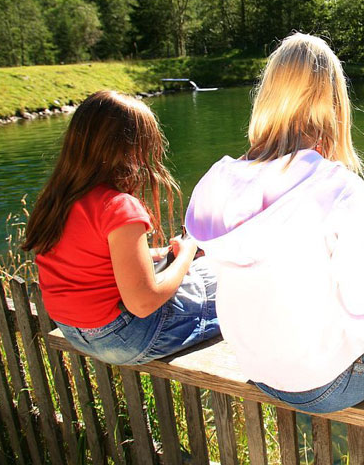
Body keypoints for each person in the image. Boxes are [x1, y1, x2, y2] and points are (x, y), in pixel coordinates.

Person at [185, 32, 364, 414]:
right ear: (334, 102)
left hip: (258, 371)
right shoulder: (339, 187)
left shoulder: (218, 181)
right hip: (331, 384)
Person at [22, 90, 220, 365]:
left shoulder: (57, 198)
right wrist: (186, 254)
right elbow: (143, 303)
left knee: (202, 272)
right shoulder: (118, 206)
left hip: (75, 331)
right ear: (130, 149)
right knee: (226, 277)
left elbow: (93, 258)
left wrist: (159, 253)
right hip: (129, 337)